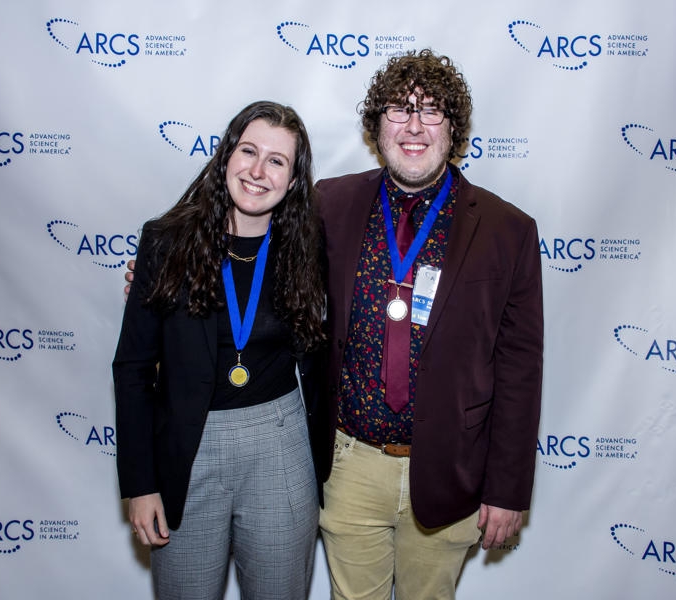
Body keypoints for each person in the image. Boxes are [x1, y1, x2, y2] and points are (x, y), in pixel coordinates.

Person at [313, 49, 543, 599]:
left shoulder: (507, 230)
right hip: (349, 465)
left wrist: (507, 489)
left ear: (454, 128)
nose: (414, 126)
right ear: (377, 126)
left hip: (449, 469)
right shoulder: (329, 204)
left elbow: (520, 369)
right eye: (399, 108)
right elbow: (265, 272)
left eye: (431, 110)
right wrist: (172, 276)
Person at [113, 101, 325, 600]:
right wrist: (140, 485)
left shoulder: (308, 246)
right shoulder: (165, 242)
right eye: (248, 151)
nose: (258, 170)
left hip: (280, 445)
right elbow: (133, 369)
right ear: (226, 155)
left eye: (277, 160)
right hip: (188, 448)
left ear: (294, 179)